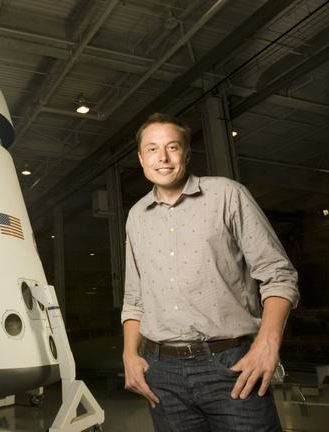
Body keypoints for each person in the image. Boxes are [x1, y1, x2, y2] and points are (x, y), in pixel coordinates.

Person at [121, 112, 299, 431]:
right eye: (152, 149)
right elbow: (134, 298)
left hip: (231, 365)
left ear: (186, 153)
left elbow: (279, 276)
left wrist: (267, 344)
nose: (162, 158)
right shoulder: (137, 217)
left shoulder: (227, 195)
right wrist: (129, 355)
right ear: (141, 158)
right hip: (162, 373)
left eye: (172, 147)